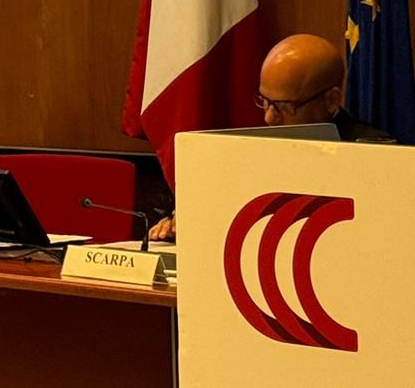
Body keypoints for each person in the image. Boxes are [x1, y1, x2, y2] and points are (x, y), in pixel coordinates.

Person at [147, 32, 391, 240]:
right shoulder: (247, 153)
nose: (269, 117)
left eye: (284, 106)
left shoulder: (375, 158)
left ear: (331, 100)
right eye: (265, 101)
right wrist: (184, 226)